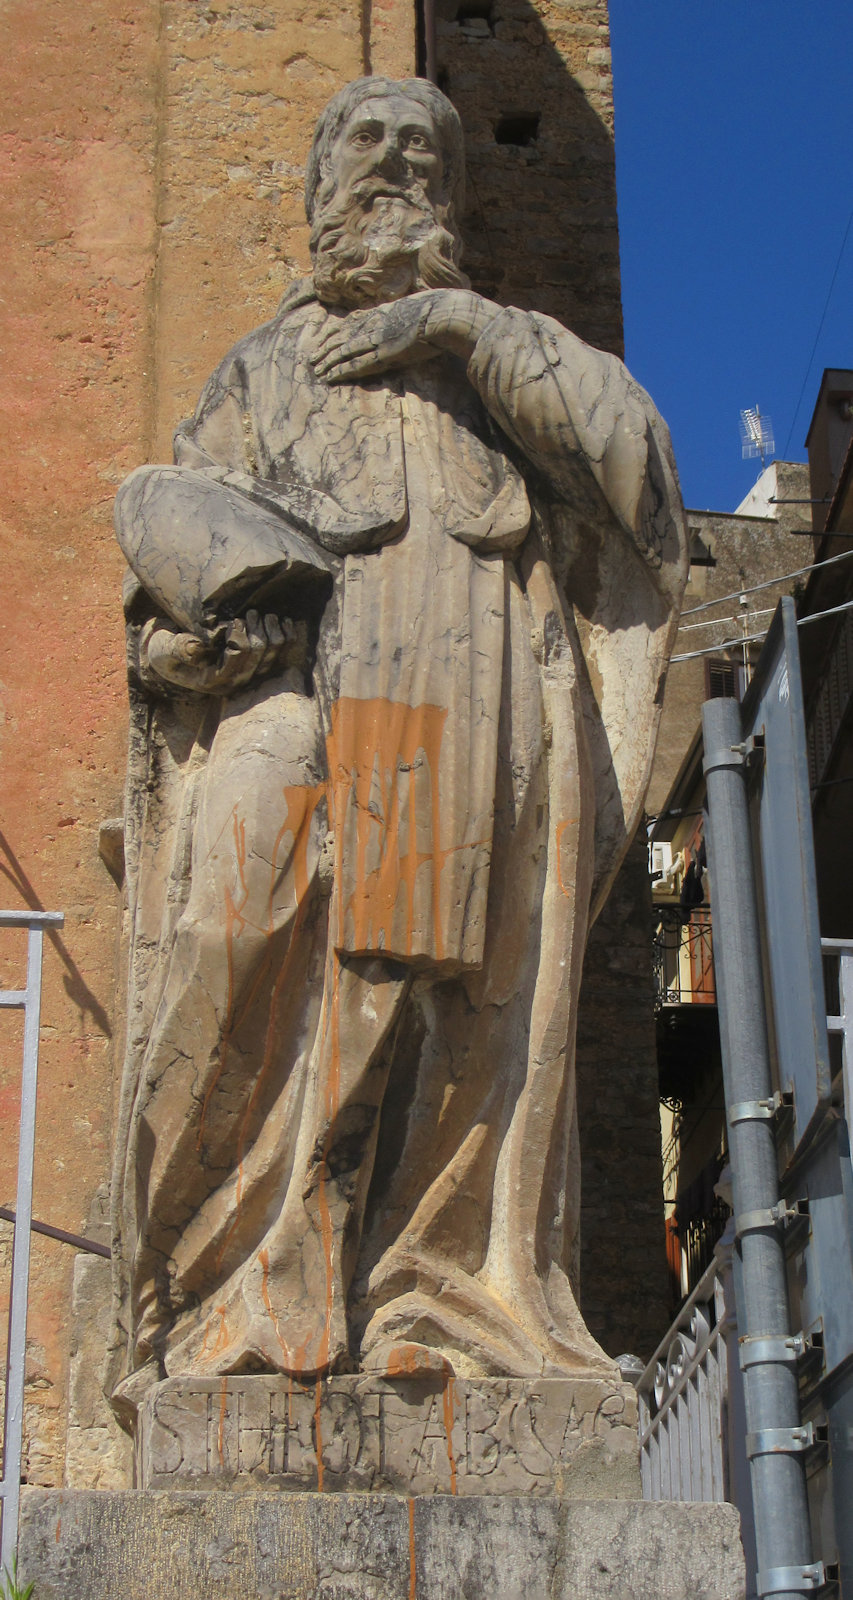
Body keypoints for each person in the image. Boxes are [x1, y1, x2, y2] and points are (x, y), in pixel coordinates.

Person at [109, 75, 687, 1422]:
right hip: (328, 689)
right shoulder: (258, 369)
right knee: (262, 958)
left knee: (461, 994)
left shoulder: (509, 355)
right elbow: (168, 587)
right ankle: (245, 1290)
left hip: (475, 681)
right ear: (320, 180)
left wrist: (462, 327)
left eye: (425, 147)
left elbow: (636, 472)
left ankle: (436, 1300)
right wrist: (196, 647)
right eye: (368, 140)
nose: (399, 162)